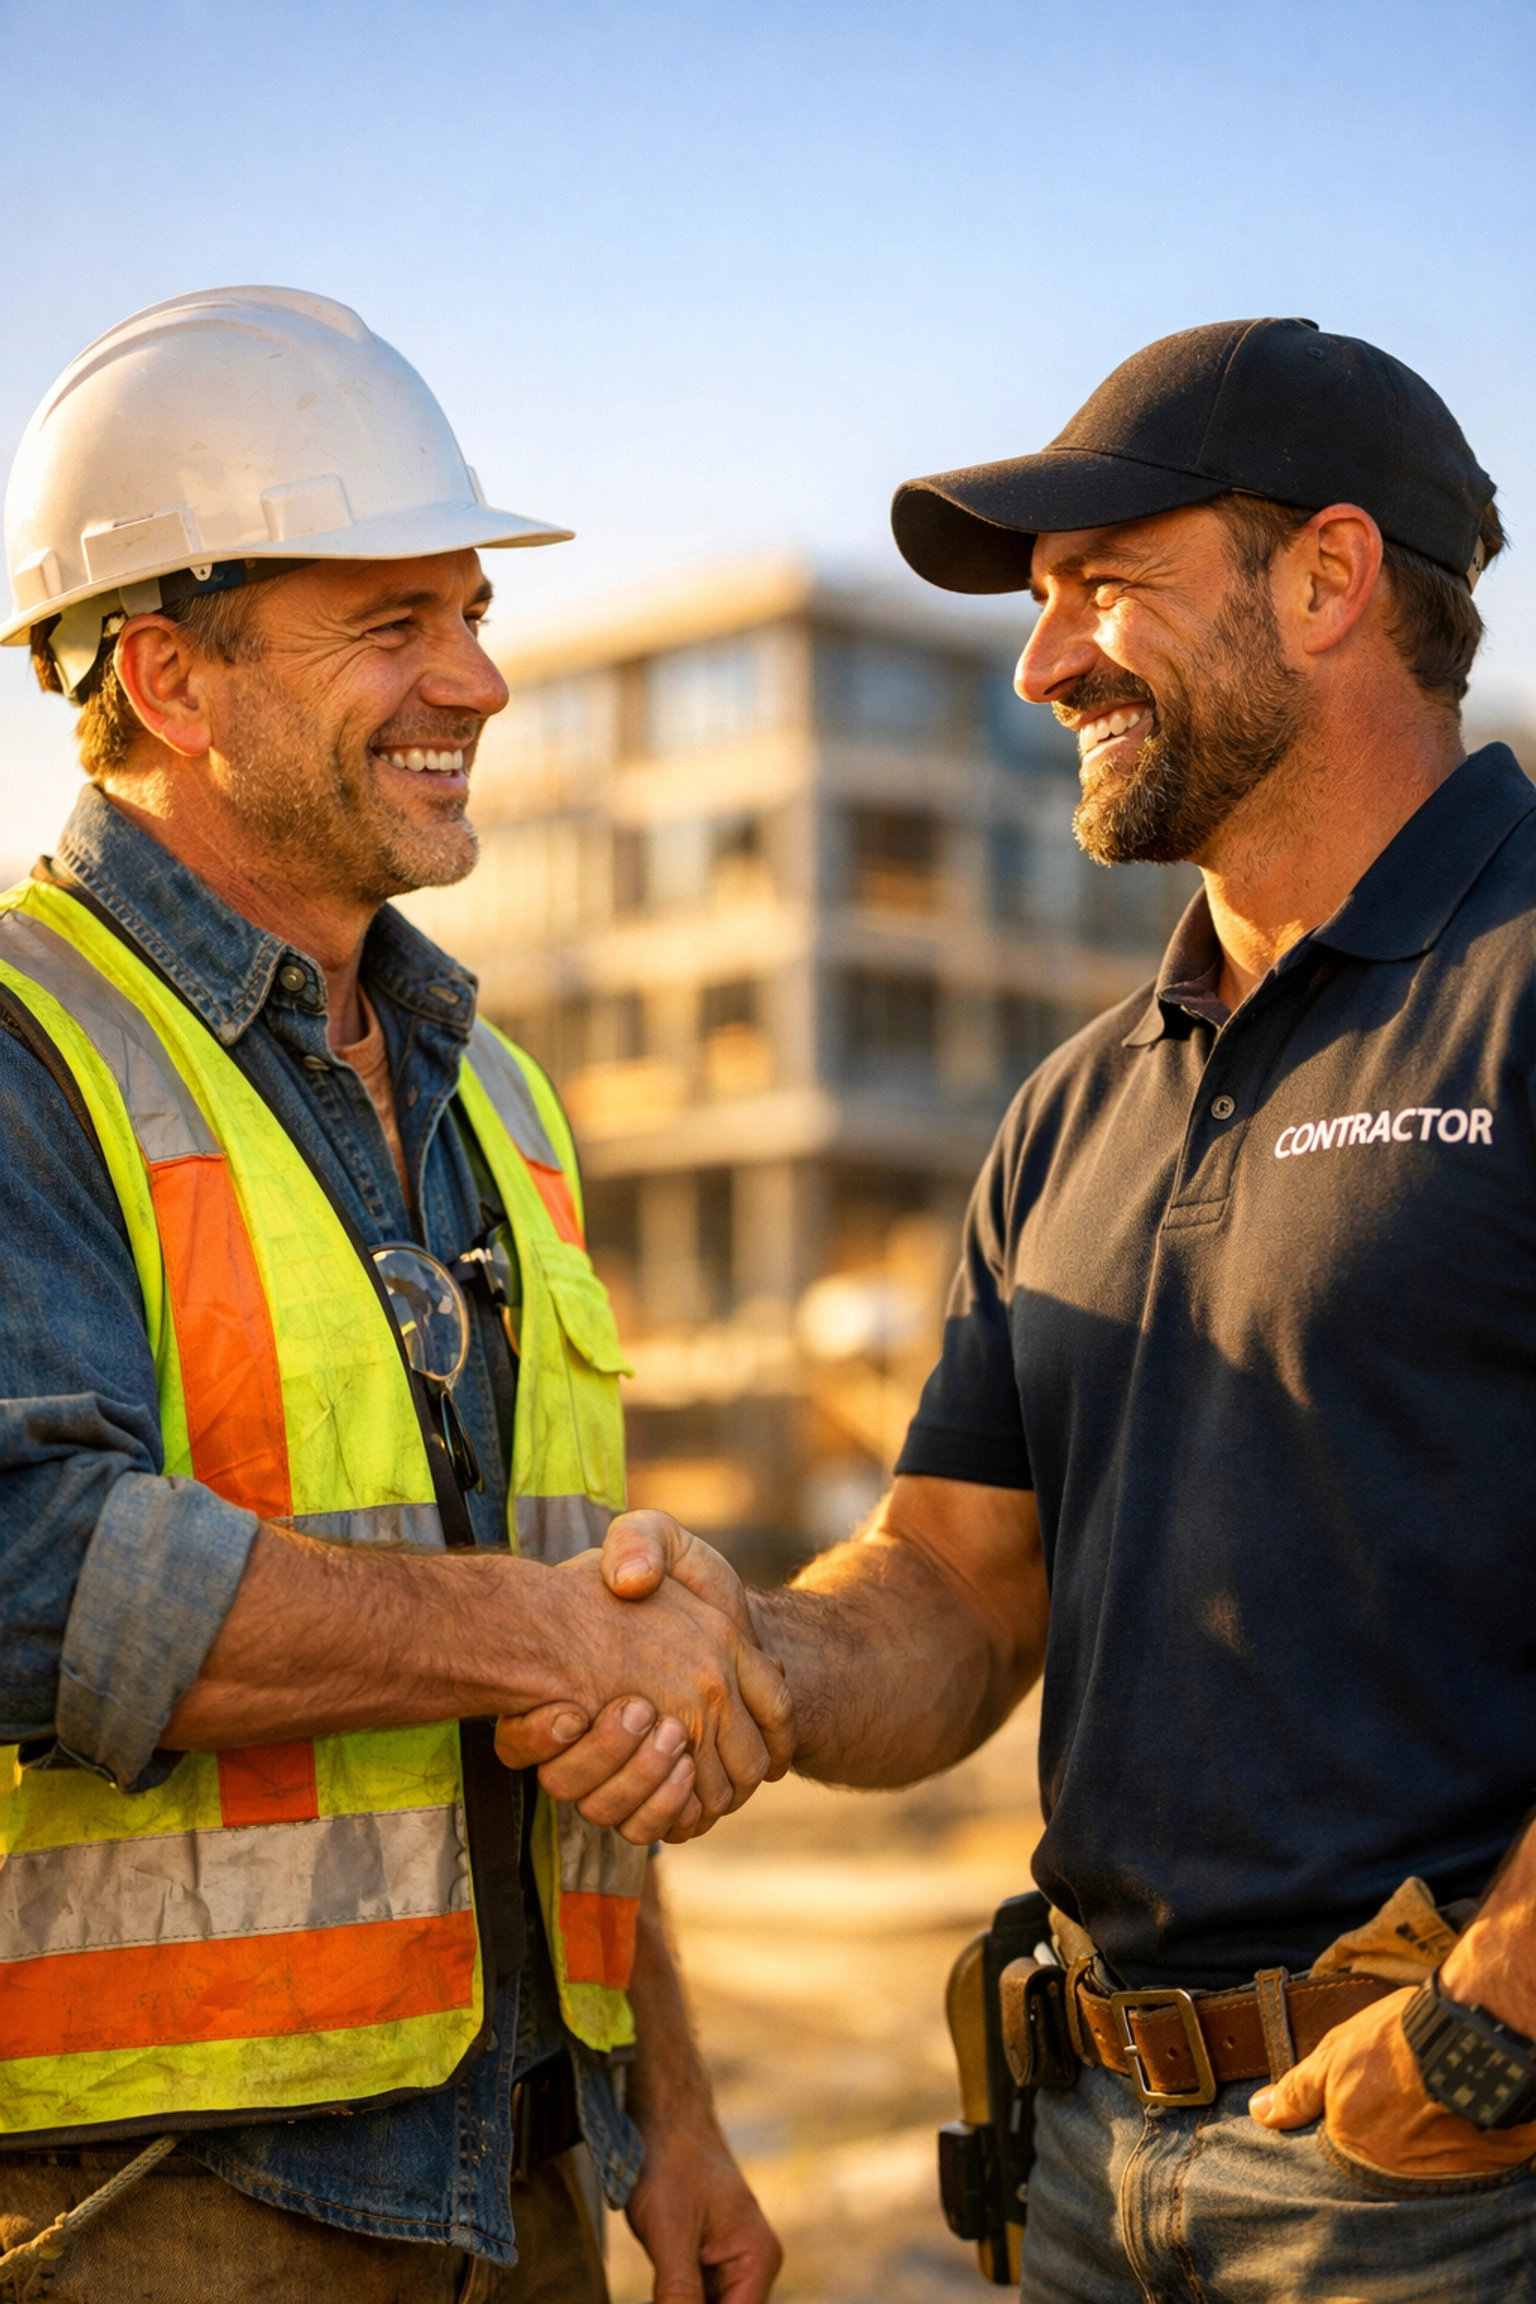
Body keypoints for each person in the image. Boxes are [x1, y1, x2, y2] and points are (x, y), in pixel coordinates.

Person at [503, 320, 1536, 2301]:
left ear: (1326, 579)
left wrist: (1487, 2040)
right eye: (1040, 605)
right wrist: (756, 1665)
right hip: (1086, 2179)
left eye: (1101, 588)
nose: (1040, 662)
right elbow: (966, 1593)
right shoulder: (1074, 1108)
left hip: (1445, 2189)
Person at [0, 286, 787, 2304]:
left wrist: (671, 2115)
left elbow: (567, 1631)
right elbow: (29, 1562)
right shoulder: (28, 1050)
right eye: (394, 626)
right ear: (170, 680)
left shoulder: (496, 1097)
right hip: (158, 2220)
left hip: (525, 2180)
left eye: (475, 613)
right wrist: (546, 1634)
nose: (480, 682)